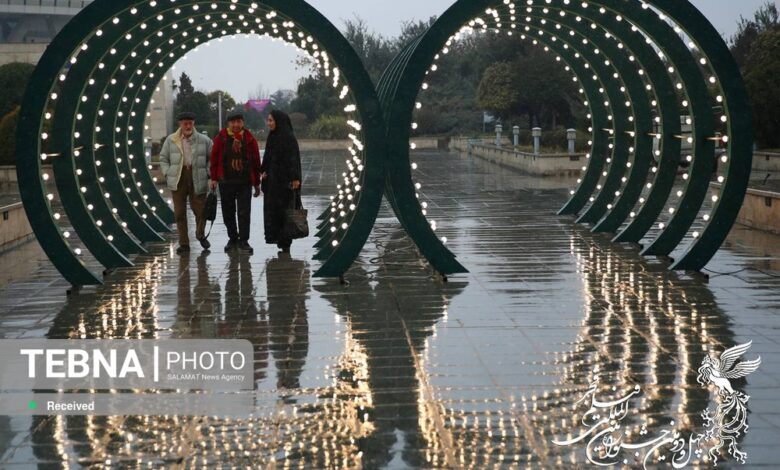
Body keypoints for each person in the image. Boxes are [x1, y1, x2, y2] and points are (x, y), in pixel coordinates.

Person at [159, 112, 214, 254]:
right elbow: (163, 158)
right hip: (178, 177)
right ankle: (184, 244)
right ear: (180, 124)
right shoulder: (171, 140)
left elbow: (212, 158)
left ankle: (200, 235)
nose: (188, 126)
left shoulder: (204, 140)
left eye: (190, 122)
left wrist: (208, 172)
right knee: (179, 213)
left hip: (198, 176)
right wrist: (167, 172)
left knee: (201, 211)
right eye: (185, 123)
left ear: (194, 123)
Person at [210, 112, 262, 254]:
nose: (236, 125)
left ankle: (244, 240)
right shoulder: (221, 137)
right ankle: (232, 238)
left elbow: (256, 161)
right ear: (228, 124)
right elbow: (214, 159)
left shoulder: (249, 138)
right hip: (225, 181)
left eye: (238, 122)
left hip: (244, 182)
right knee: (228, 212)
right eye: (233, 122)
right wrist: (214, 178)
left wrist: (257, 183)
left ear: (243, 123)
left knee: (244, 212)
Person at [261, 110, 302, 253]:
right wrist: (264, 170)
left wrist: (295, 178)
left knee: (286, 210)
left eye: (271, 120)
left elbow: (294, 159)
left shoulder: (289, 138)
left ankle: (286, 241)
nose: (269, 123)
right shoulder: (272, 137)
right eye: (268, 120)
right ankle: (278, 238)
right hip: (273, 182)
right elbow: (267, 157)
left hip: (285, 183)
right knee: (274, 211)